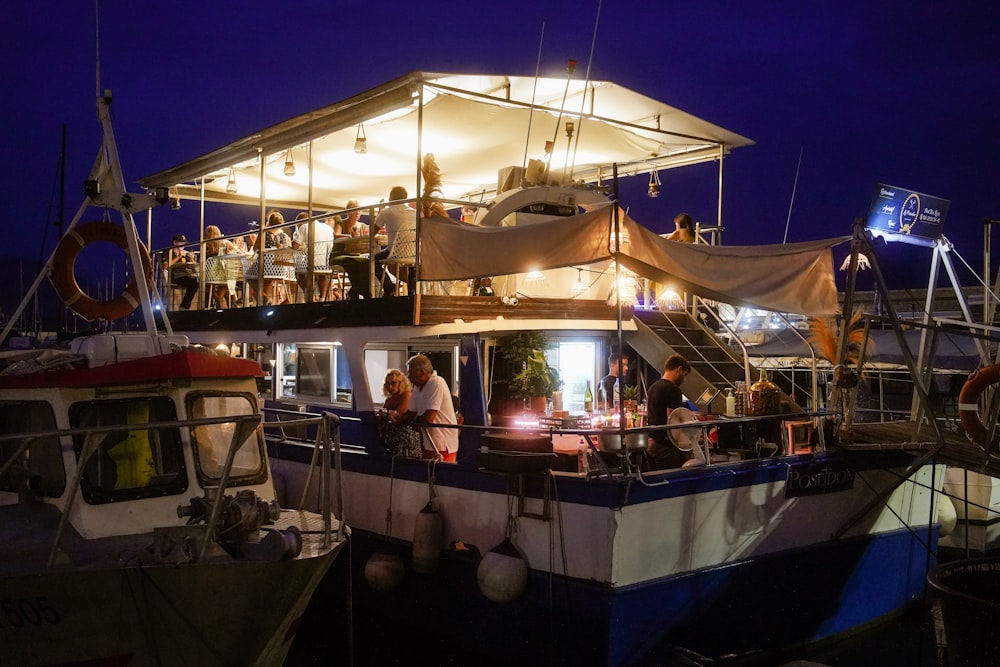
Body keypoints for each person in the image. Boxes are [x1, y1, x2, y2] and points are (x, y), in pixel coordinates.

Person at [401, 354, 459, 461]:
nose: (408, 377)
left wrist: (413, 421)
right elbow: (410, 414)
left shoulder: (436, 383)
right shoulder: (417, 387)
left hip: (443, 444)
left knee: (440, 475)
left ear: (422, 372)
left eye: (411, 373)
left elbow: (429, 418)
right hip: (428, 442)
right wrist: (394, 417)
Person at [646, 354, 693, 470]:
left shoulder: (653, 387)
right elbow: (673, 419)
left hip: (652, 443)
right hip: (666, 446)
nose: (684, 380)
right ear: (679, 370)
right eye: (685, 375)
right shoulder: (673, 389)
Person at [374, 186, 416, 296]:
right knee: (412, 263)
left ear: (391, 198)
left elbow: (372, 232)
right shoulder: (415, 213)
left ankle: (390, 288)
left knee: (372, 260)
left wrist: (380, 211)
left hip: (394, 253)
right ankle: (413, 291)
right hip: (413, 253)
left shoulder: (386, 211)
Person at [377, 369, 422, 458]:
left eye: (393, 383)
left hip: (406, 441)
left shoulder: (407, 395)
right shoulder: (389, 400)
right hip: (391, 442)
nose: (390, 387)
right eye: (387, 384)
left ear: (401, 383)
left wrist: (387, 414)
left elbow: (400, 413)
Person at [291, 211, 334, 301]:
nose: (298, 228)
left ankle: (309, 293)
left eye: (298, 226)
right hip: (327, 262)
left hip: (311, 263)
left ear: (301, 222)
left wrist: (296, 236)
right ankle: (322, 298)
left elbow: (294, 246)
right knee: (323, 273)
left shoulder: (304, 226)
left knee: (298, 271)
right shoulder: (327, 227)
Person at [203, 225, 241, 308]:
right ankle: (224, 302)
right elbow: (238, 251)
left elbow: (202, 261)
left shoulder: (204, 245)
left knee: (207, 286)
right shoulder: (224, 242)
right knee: (226, 282)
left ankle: (213, 303)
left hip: (209, 275)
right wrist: (229, 252)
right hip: (222, 274)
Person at [165, 234, 199, 310]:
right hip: (174, 276)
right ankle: (184, 307)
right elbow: (166, 266)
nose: (183, 245)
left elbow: (194, 268)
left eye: (184, 243)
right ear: (175, 243)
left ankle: (186, 306)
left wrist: (191, 259)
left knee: (198, 282)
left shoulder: (185, 254)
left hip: (186, 275)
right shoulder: (168, 252)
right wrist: (179, 256)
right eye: (181, 243)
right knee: (194, 283)